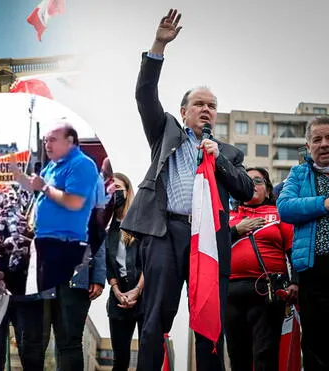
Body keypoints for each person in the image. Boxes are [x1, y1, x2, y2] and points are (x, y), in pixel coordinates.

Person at [119, 9, 254, 370]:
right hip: (166, 233)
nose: (206, 110)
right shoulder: (166, 133)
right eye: (199, 104)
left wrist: (219, 161)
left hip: (208, 239)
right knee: (155, 318)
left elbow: (245, 191)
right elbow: (144, 93)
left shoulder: (227, 152)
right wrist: (159, 44)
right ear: (184, 110)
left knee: (211, 322)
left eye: (212, 106)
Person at [9, 123, 103, 371]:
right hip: (40, 269)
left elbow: (95, 224)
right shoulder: (49, 169)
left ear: (70, 142)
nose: (47, 144)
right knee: (32, 340)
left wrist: (99, 275)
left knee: (68, 340)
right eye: (45, 140)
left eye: (53, 139)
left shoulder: (83, 167)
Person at [226, 167, 297, 371]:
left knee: (265, 354)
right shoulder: (226, 216)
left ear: (268, 190)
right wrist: (235, 231)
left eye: (258, 181)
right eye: (246, 180)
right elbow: (210, 246)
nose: (252, 184)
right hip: (230, 292)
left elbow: (294, 249)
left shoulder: (279, 214)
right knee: (237, 356)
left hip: (267, 292)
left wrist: (295, 282)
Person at [277, 116, 329, 370]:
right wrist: (323, 204)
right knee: (315, 341)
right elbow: (285, 207)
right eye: (317, 139)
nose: (324, 144)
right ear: (308, 147)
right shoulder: (298, 174)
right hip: (313, 267)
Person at [105, 173, 144, 371]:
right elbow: (107, 264)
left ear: (128, 191)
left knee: (146, 356)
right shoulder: (106, 225)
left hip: (143, 295)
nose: (114, 192)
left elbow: (149, 261)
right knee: (120, 359)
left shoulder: (141, 222)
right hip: (118, 297)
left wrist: (137, 290)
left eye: (118, 188)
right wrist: (117, 291)